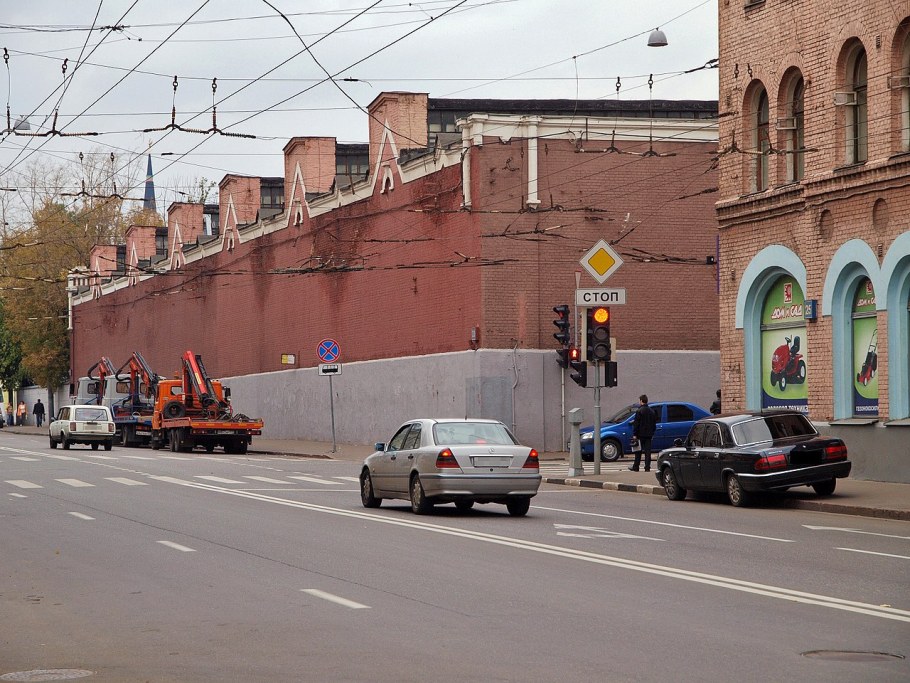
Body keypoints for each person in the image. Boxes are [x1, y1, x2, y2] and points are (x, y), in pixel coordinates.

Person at [629, 394, 657, 472]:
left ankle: (636, 467)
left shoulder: (639, 411)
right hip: (649, 435)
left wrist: (635, 434)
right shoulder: (652, 411)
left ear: (641, 401)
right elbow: (654, 424)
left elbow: (636, 424)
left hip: (640, 434)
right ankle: (647, 467)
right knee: (648, 452)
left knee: (638, 451)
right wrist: (652, 433)